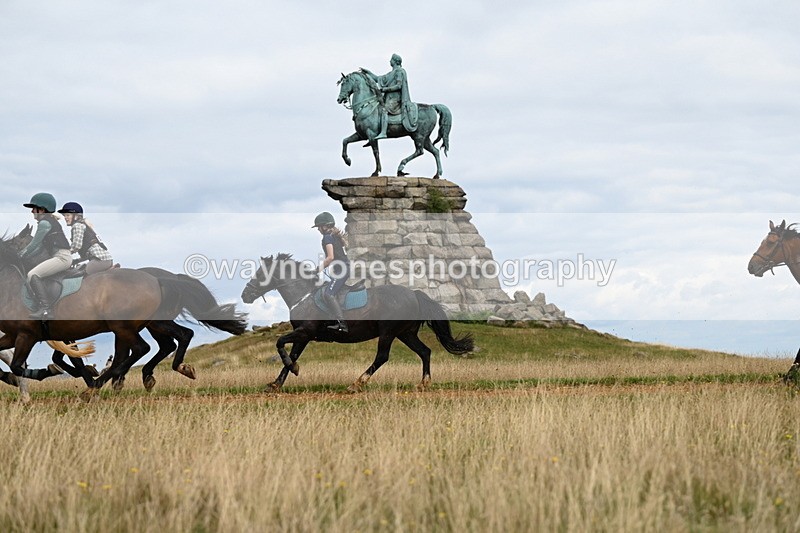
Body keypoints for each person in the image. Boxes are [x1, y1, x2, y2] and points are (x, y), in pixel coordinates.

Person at [19, 192, 72, 319]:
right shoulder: (48, 222)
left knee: (33, 275)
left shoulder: (45, 224)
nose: (32, 211)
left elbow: (33, 245)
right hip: (59, 256)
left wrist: (19, 256)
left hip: (61, 257)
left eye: (34, 208)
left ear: (42, 209)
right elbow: (38, 249)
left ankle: (46, 309)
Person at [360, 53, 418, 142]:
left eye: (391, 60)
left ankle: (383, 132)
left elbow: (399, 86)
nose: (389, 61)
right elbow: (378, 78)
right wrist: (368, 73)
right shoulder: (390, 73)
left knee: (384, 110)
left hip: (396, 99)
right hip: (388, 98)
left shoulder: (399, 71)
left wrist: (385, 89)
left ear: (395, 61)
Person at [313, 212, 350, 332]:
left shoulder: (327, 237)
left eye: (319, 226)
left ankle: (341, 324)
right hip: (343, 268)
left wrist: (316, 270)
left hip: (342, 270)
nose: (318, 229)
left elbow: (330, 258)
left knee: (328, 294)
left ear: (325, 226)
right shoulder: (334, 236)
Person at [57, 202, 113, 274]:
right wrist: (77, 260)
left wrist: (63, 254)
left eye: (68, 215)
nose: (65, 218)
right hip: (104, 260)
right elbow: (86, 252)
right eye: (64, 215)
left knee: (79, 275)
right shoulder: (83, 225)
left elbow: (76, 246)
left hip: (100, 260)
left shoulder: (77, 226)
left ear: (76, 216)